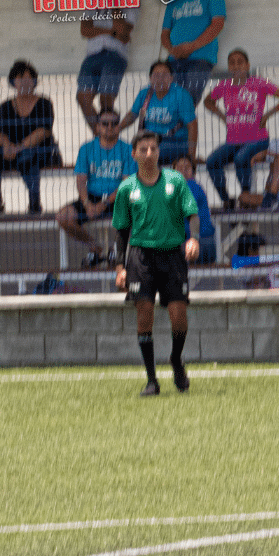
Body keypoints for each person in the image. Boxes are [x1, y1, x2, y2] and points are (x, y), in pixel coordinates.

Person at [112, 129, 201, 397]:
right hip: (140, 258)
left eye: (153, 148)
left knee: (178, 318)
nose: (149, 153)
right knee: (144, 316)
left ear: (159, 152)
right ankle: (152, 380)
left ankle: (176, 359)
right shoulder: (127, 188)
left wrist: (193, 239)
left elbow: (192, 214)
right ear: (134, 154)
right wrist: (120, 267)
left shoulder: (176, 181)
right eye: (143, 149)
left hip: (173, 255)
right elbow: (120, 230)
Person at [56, 107, 137, 267]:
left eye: (114, 123)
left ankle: (117, 250)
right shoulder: (86, 148)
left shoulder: (128, 149)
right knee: (63, 217)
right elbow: (80, 180)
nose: (109, 127)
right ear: (98, 127)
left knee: (135, 209)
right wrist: (87, 204)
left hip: (118, 196)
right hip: (91, 196)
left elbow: (126, 184)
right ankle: (94, 246)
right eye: (105, 123)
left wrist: (104, 204)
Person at [202, 48, 279, 209]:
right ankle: (226, 199)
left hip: (257, 139)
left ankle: (246, 196)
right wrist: (222, 115)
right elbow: (207, 101)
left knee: (241, 157)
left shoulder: (259, 82)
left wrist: (267, 116)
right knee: (211, 161)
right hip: (233, 141)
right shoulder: (224, 85)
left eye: (240, 62)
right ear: (229, 67)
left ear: (247, 65)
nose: (236, 66)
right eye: (232, 63)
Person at [0, 59, 59, 217]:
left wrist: (18, 147)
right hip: (10, 151)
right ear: (13, 81)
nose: (24, 81)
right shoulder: (6, 105)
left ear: (34, 80)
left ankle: (34, 202)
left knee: (27, 156)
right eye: (19, 77)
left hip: (38, 151)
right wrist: (6, 145)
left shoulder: (44, 102)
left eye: (28, 77)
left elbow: (43, 132)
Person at [160, 0, 226, 106]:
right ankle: (174, 128)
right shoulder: (174, 0)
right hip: (174, 59)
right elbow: (164, 33)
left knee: (189, 98)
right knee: (169, 98)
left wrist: (192, 46)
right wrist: (172, 50)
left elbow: (218, 24)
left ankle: (181, 128)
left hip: (201, 57)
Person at [76, 0, 138, 131]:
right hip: (92, 54)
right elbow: (85, 30)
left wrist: (114, 2)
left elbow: (122, 30)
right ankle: (99, 136)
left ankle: (109, 135)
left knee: (106, 101)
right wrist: (111, 32)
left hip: (115, 55)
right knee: (83, 98)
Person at [119, 61, 198, 166]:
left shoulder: (181, 95)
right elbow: (132, 115)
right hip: (149, 141)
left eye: (164, 75)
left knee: (143, 153)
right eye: (156, 75)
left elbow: (192, 126)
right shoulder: (145, 94)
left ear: (171, 78)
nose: (160, 79)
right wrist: (116, 130)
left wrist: (191, 157)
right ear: (150, 78)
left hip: (175, 142)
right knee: (125, 153)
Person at [172, 154, 217, 265]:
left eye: (187, 168)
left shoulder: (191, 186)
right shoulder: (195, 187)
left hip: (199, 243)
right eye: (179, 168)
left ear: (193, 172)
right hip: (205, 244)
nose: (183, 171)